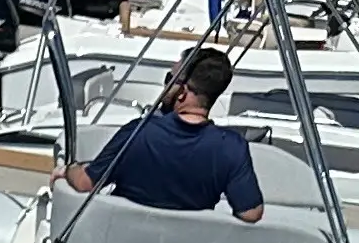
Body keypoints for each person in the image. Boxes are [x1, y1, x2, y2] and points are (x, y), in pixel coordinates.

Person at [58, 45, 265, 220]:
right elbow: (250, 213)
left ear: (182, 92)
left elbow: (84, 182)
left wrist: (69, 169)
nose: (165, 85)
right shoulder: (231, 147)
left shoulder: (138, 132)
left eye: (169, 78)